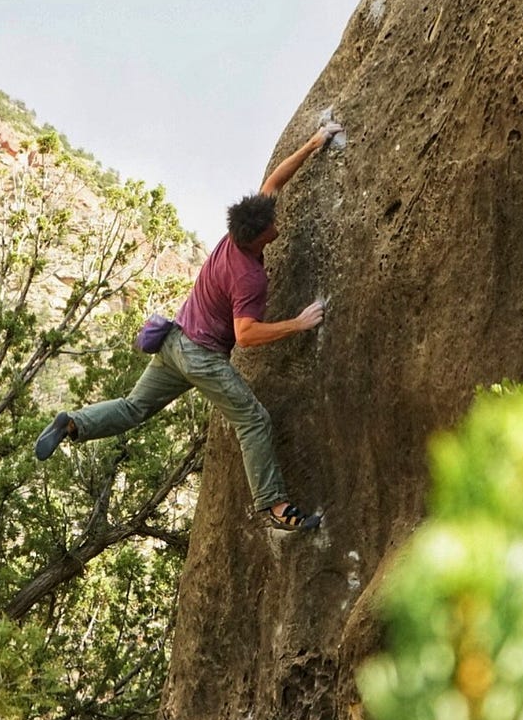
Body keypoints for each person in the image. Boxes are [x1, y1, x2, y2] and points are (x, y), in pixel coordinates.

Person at [35, 121, 343, 530]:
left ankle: (74, 423)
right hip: (201, 357)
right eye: (272, 224)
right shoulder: (248, 276)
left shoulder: (235, 235)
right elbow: (247, 335)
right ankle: (273, 507)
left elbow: (273, 181)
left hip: (174, 343)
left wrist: (313, 144)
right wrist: (299, 323)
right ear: (258, 237)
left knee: (133, 408)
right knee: (253, 420)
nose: (276, 221)